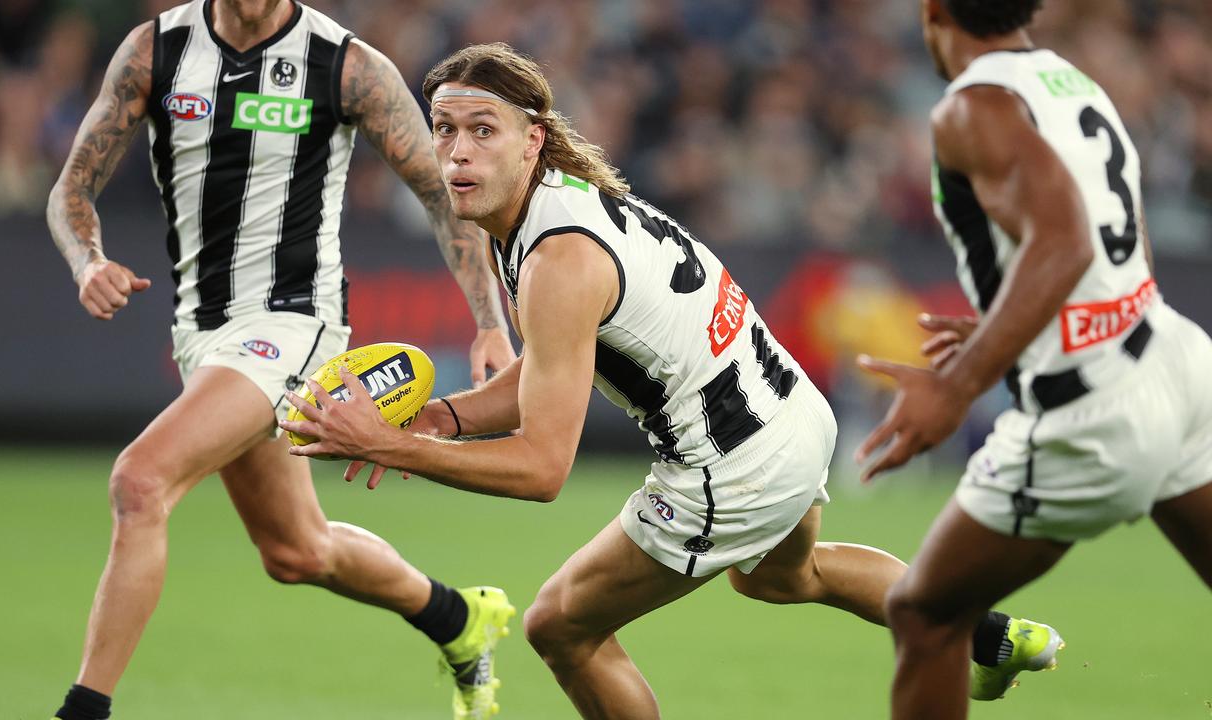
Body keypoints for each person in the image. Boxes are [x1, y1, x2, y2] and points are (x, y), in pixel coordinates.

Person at [283, 42, 1059, 719]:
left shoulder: (558, 258)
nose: (455, 153)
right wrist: (436, 421)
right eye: (444, 129)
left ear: (533, 141)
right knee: (788, 579)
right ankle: (988, 636)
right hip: (792, 418)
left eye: (482, 131)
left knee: (559, 626)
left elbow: (542, 467)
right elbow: (547, 371)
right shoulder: (551, 208)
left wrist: (393, 445)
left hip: (734, 467)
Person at [45, 2, 518, 719]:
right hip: (203, 337)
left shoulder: (346, 65)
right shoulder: (156, 52)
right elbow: (71, 188)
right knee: (297, 551)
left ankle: (83, 711)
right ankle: (458, 620)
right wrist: (87, 262)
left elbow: (440, 194)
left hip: (295, 324)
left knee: (139, 483)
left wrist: (490, 321)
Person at [854, 1, 1212, 717]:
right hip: (1174, 360)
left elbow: (1064, 243)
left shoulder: (970, 108)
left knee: (926, 614)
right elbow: (1118, 247)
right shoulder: (1071, 83)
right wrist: (1008, 323)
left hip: (1093, 408)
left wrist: (958, 385)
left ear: (932, 10)